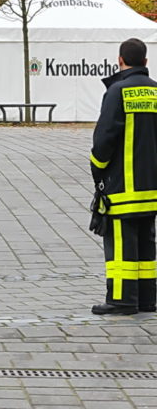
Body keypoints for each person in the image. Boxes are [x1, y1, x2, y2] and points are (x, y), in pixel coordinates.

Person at [90, 38, 157, 315]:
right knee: (146, 243)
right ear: (146, 62)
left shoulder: (117, 91)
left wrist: (98, 170)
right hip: (151, 188)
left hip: (122, 185)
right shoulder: (155, 92)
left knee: (120, 242)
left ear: (120, 60)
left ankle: (121, 299)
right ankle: (146, 299)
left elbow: (104, 139)